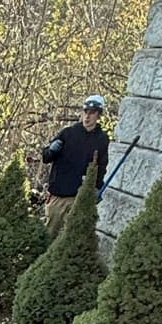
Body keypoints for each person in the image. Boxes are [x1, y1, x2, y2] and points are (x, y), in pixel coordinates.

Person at [40, 97, 110, 231]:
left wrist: (96, 189)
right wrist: (51, 150)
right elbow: (46, 158)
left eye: (92, 112)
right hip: (58, 195)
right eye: (85, 111)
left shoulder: (102, 140)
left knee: (73, 235)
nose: (87, 116)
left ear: (98, 115)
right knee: (49, 233)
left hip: (79, 197)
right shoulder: (68, 133)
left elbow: (101, 167)